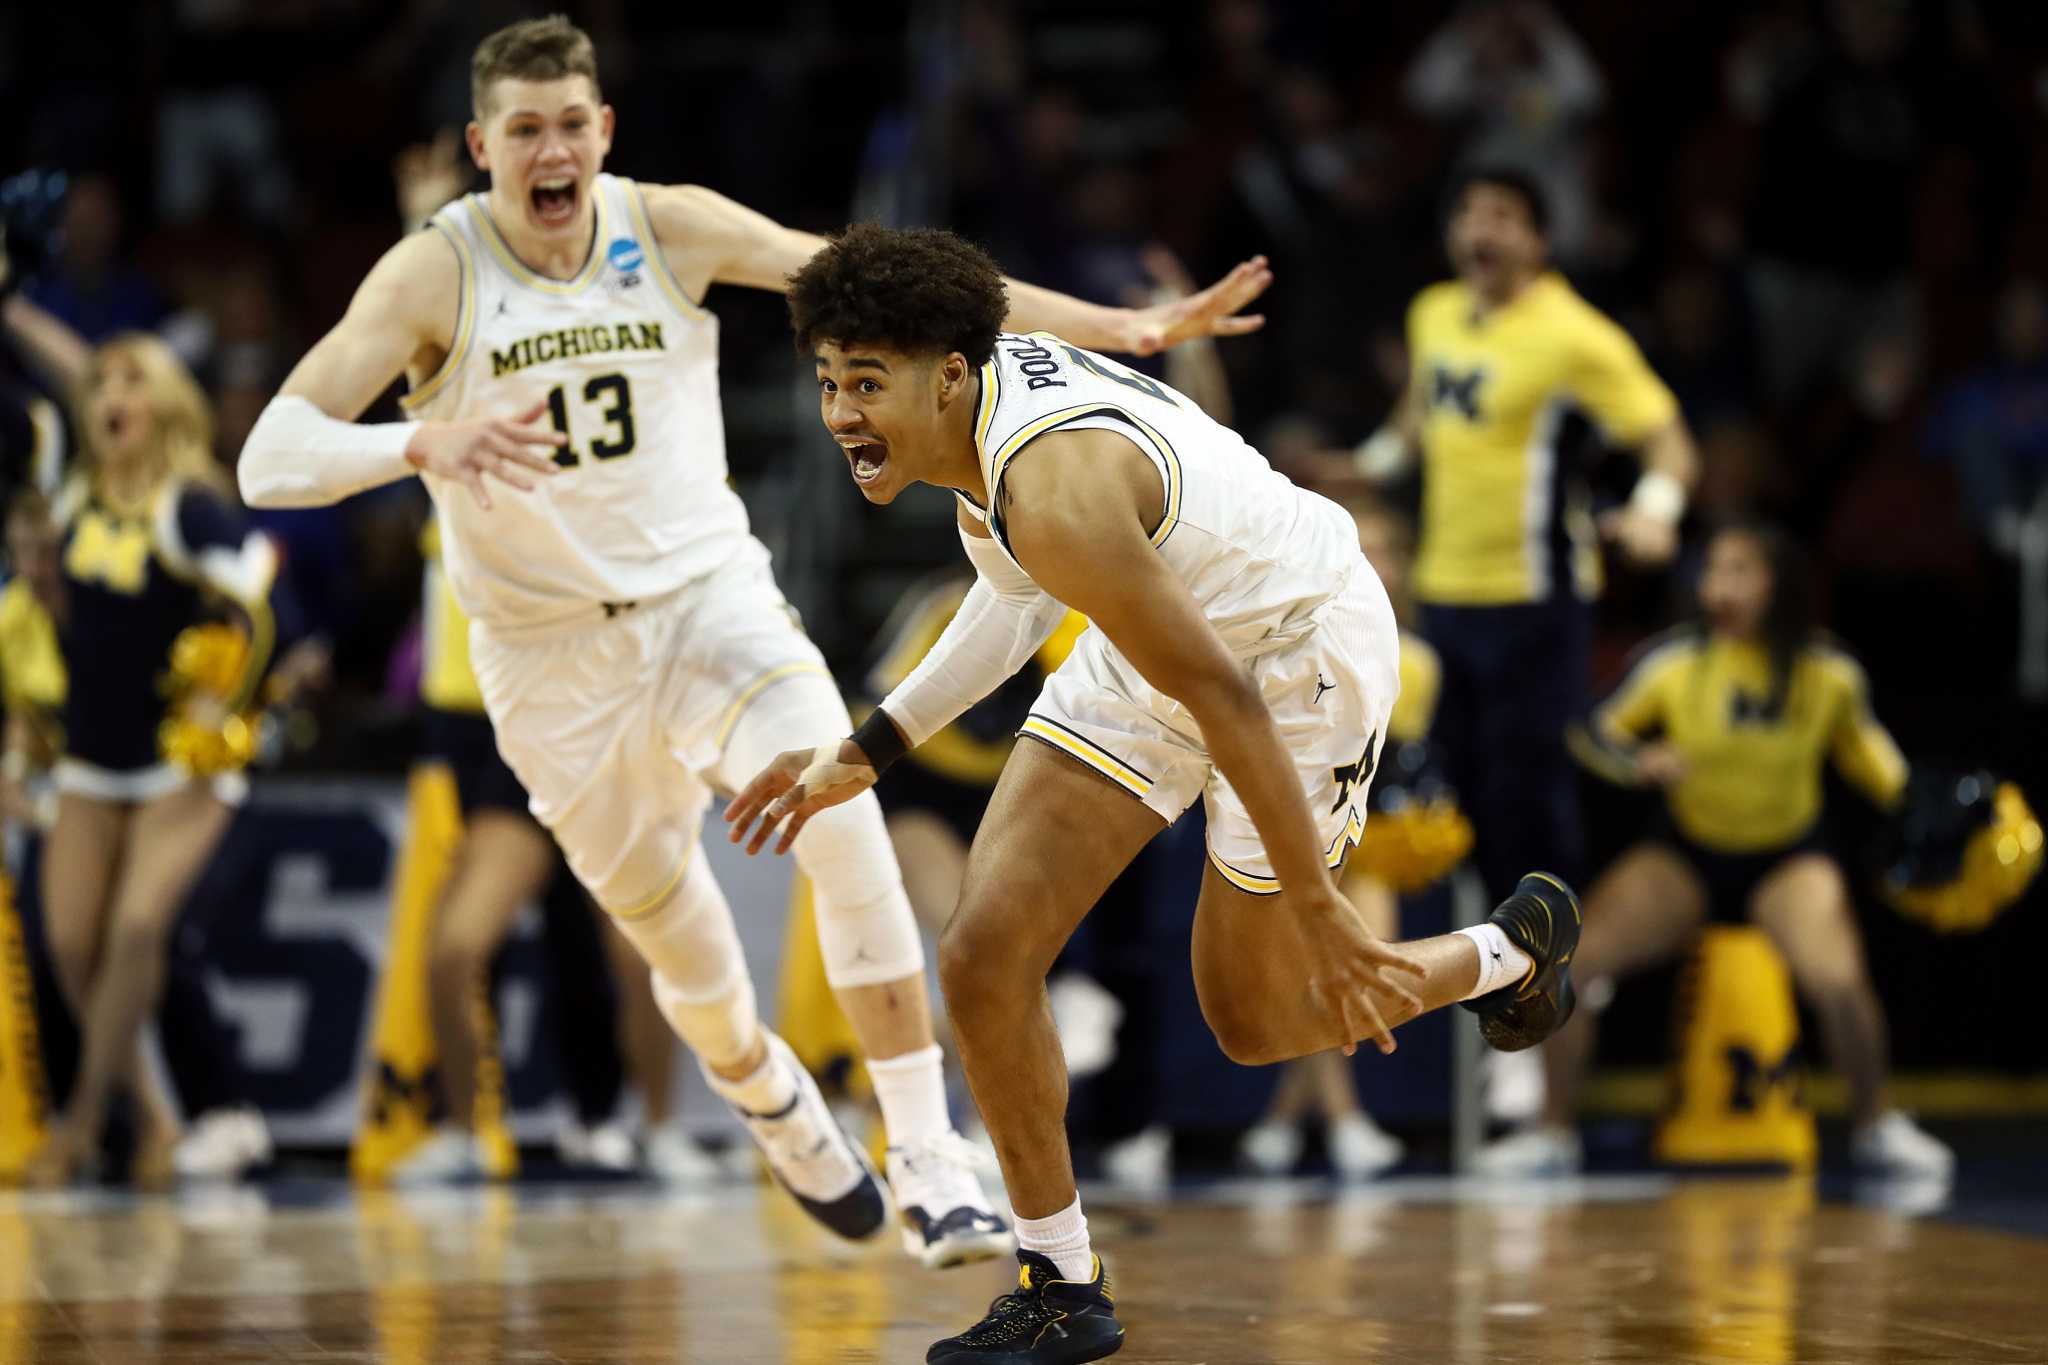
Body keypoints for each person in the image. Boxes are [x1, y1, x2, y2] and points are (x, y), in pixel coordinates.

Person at [234, 15, 1268, 1265]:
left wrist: (1127, 328)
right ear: (480, 146)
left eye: (571, 123)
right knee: (689, 959)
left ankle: (929, 1154)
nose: (551, 150)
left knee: (840, 808)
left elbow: (897, 285)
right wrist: (418, 441)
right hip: (547, 659)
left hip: (705, 599)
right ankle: (764, 1095)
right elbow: (267, 460)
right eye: (523, 131)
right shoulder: (431, 274)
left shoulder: (663, 225)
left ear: (602, 131)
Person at [724, 223, 1582, 1365]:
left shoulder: (1055, 491)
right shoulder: (978, 416)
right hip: (1162, 636)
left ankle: (1507, 951)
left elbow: (1224, 698)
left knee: (1258, 1019)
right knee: (984, 952)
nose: (839, 415)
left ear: (947, 376)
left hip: (1291, 655)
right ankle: (1060, 1282)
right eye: (829, 382)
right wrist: (869, 747)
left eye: (864, 385)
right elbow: (1018, 592)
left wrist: (1327, 912)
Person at [1477, 520, 1955, 1179]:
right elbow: (1592, 733)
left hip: (1787, 857)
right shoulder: (1674, 662)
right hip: (1688, 852)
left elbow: (1877, 763)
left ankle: (1876, 1122)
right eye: (1713, 571)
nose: (1720, 587)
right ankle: (1552, 1129)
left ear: (1779, 583)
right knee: (1569, 965)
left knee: (1840, 982)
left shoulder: (1828, 674)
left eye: (1740, 571)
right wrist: (1638, 760)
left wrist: (1918, 801)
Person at [1355, 166, 1698, 909]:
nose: (1483, 229)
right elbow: (1415, 420)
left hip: (1534, 600)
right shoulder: (1434, 313)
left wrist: (1656, 510)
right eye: (1471, 213)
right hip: (1442, 595)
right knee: (1441, 799)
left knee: (1527, 806)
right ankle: (1466, 990)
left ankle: (1537, 987)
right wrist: (1360, 464)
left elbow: (1671, 443)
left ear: (1540, 240)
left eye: (1505, 216)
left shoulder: (1577, 336)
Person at [25, 331, 281, 1186]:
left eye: (134, 382)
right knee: (69, 942)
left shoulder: (190, 505)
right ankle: (158, 1119)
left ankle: (88, 1123)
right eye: (103, 384)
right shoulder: (72, 498)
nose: (111, 397)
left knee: (138, 931)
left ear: (166, 402)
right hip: (91, 757)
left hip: (182, 762)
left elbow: (265, 605)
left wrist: (231, 705)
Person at [1238, 500, 1445, 1179]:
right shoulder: (1284, 642)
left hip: (1368, 838)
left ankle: (1285, 1118)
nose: (1373, 565)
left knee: (1359, 970)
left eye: (1385, 551)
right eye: (1359, 551)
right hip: (1289, 831)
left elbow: (1375, 759)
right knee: (1329, 963)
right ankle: (1342, 1120)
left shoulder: (1415, 661)